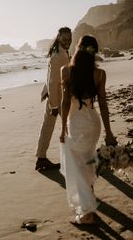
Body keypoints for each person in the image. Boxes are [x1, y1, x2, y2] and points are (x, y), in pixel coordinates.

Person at [59, 35, 117, 225]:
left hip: (76, 124)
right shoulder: (100, 74)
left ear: (78, 49)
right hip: (93, 123)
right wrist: (108, 132)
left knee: (78, 166)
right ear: (94, 51)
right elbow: (103, 104)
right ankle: (89, 205)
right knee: (88, 163)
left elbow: (66, 102)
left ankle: (86, 215)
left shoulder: (66, 72)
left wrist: (61, 130)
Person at [35, 27, 72, 170]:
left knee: (64, 126)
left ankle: (43, 158)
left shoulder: (62, 52)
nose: (67, 41)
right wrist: (54, 105)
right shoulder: (57, 56)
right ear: (58, 38)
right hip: (57, 99)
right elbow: (52, 81)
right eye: (64, 39)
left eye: (69, 38)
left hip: (61, 96)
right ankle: (41, 159)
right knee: (52, 127)